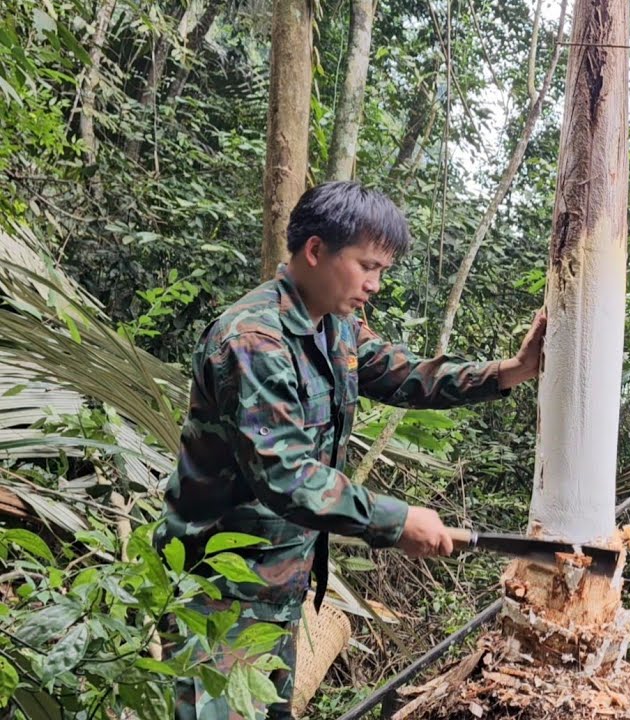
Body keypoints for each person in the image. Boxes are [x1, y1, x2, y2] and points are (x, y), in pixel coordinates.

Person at [156, 181, 546, 719]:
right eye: (368, 266)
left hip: (279, 583)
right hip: (220, 592)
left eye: (382, 270)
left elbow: (406, 375)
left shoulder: (336, 327)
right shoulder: (253, 341)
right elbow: (286, 475)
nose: (376, 284)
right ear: (315, 251)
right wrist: (397, 519)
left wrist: (511, 372)